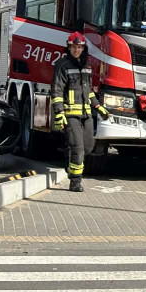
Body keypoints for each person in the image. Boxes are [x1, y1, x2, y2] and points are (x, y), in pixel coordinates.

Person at [50, 32, 108, 192]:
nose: (77, 50)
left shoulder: (86, 66)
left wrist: (98, 106)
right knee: (78, 148)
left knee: (88, 147)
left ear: (83, 48)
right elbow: (57, 90)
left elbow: (88, 91)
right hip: (70, 114)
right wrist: (59, 112)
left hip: (86, 114)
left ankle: (70, 153)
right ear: (69, 47)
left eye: (80, 47)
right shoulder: (62, 65)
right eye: (74, 47)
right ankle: (75, 181)